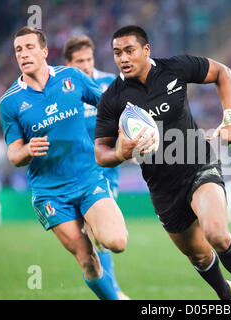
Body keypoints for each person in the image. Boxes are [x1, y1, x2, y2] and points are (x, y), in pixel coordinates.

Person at [94, 25, 231, 300]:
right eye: (117, 53)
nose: (123, 58)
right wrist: (120, 153)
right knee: (199, 256)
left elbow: (223, 73)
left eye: (129, 51)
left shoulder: (175, 68)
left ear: (146, 50)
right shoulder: (112, 99)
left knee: (218, 235)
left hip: (198, 164)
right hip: (163, 187)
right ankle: (226, 294)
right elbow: (101, 153)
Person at [0, 26, 128, 300]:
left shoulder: (71, 77)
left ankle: (97, 228)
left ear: (44, 51)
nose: (24, 54)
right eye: (18, 50)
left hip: (88, 178)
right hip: (50, 192)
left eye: (30, 47)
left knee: (117, 242)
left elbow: (107, 105)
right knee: (88, 261)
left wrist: (131, 124)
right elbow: (13, 154)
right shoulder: (9, 102)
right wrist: (27, 150)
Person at [63, 34, 128, 300]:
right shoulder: (62, 89)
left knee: (101, 233)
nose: (86, 65)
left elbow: (123, 117)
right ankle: (111, 290)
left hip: (105, 170)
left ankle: (113, 291)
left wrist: (127, 142)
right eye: (80, 61)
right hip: (73, 172)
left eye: (89, 59)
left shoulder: (109, 83)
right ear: (68, 63)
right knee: (90, 237)